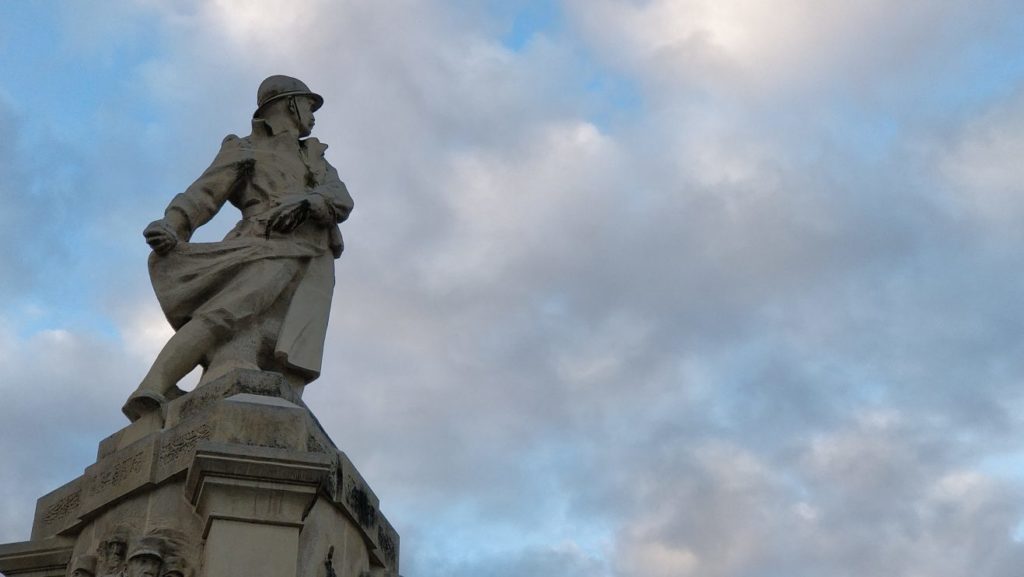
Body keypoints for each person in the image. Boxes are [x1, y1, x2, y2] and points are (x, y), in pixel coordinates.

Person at [122, 75, 353, 421]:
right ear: (290, 104)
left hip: (313, 254)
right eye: (308, 104)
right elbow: (204, 194)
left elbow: (342, 199)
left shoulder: (316, 157)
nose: (313, 114)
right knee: (227, 313)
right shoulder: (245, 148)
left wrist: (308, 202)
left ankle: (231, 380)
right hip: (265, 243)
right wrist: (173, 225)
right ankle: (152, 386)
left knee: (275, 337)